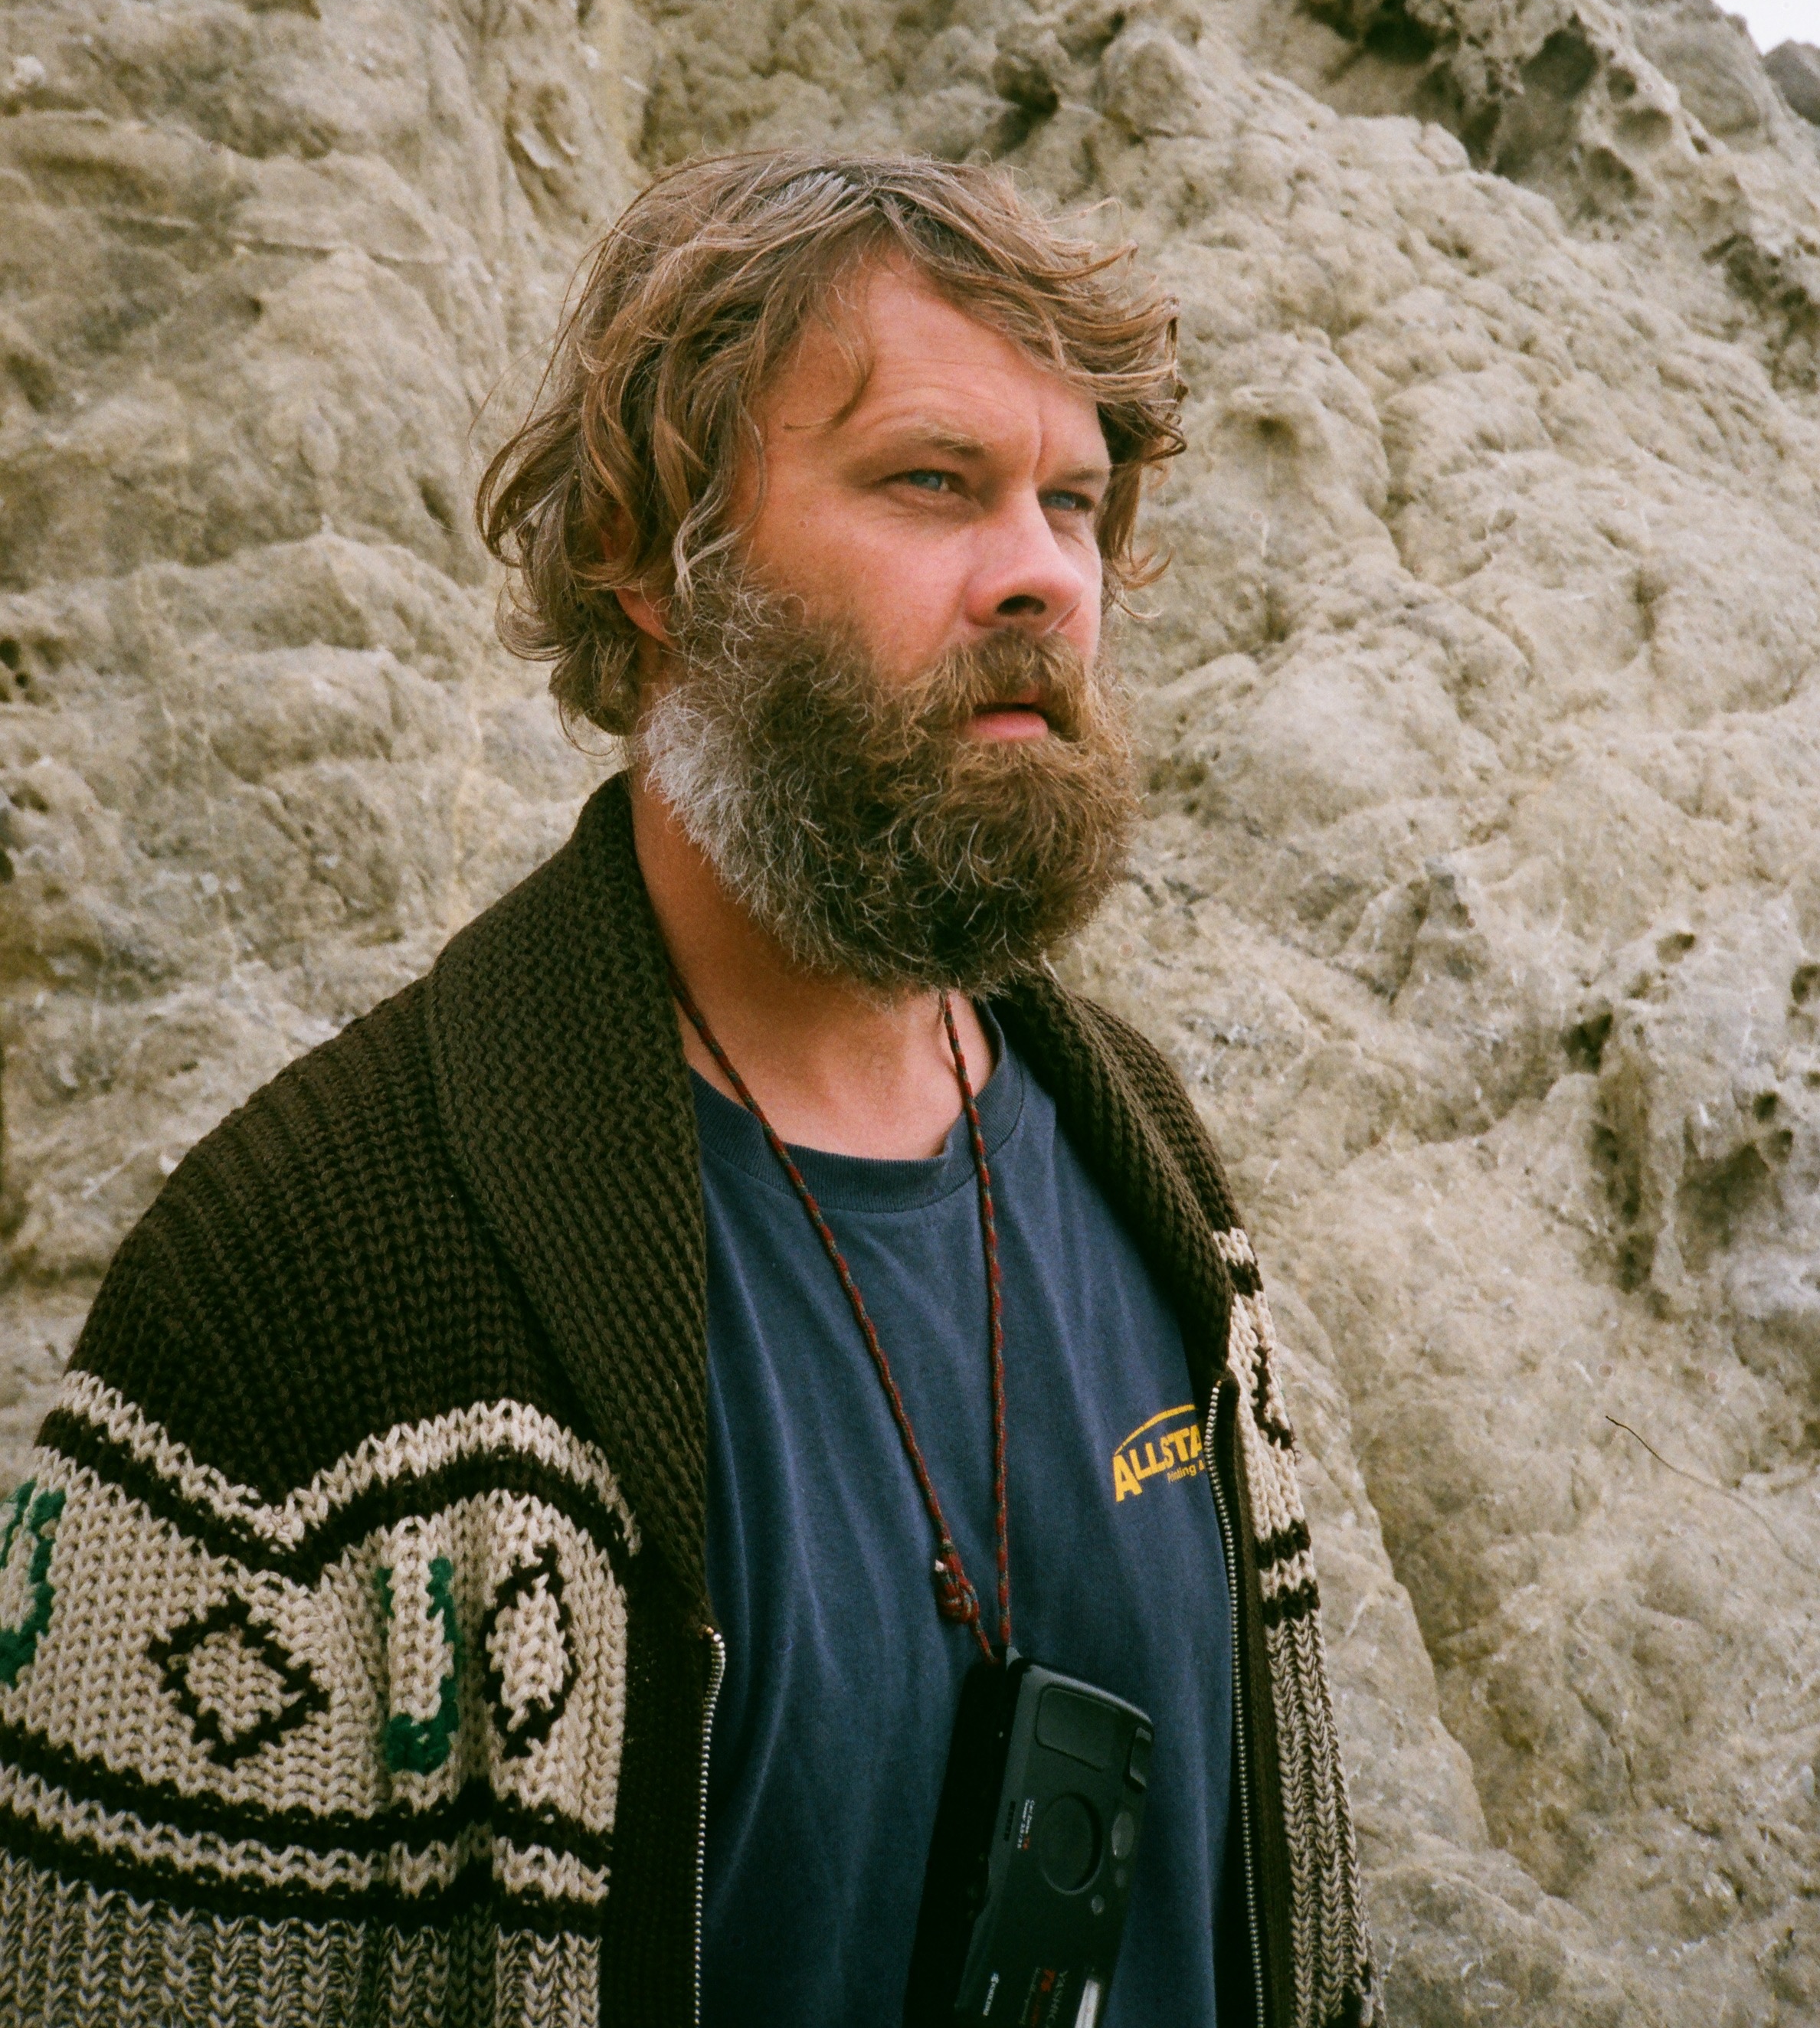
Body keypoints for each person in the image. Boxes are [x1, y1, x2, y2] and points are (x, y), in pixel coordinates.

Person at [0, 152, 1378, 2028]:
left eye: (1072, 500)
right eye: (931, 480)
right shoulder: (306, 1297)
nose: (1047, 573)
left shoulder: (1146, 1166)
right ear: (651, 559)